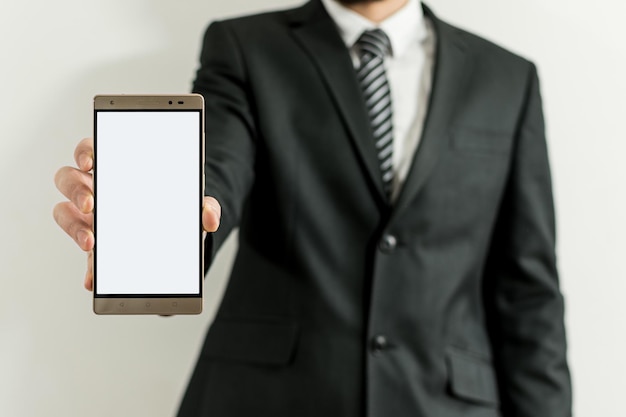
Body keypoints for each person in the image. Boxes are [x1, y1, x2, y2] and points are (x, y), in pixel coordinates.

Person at [53, 0, 572, 416]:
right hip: (270, 399)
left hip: (443, 404)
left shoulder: (508, 78)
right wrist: (164, 224)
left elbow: (528, 294)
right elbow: (216, 169)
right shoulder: (245, 48)